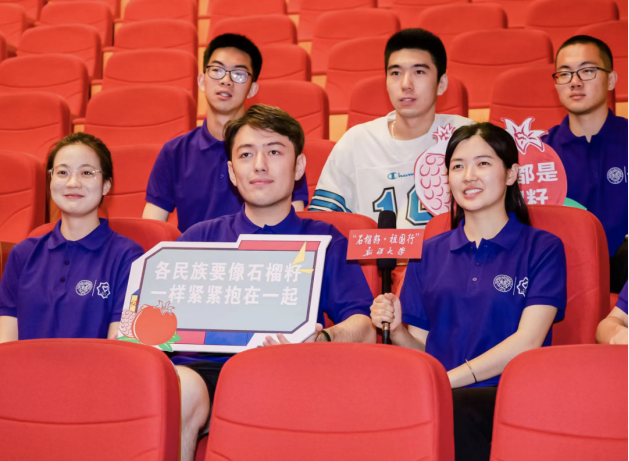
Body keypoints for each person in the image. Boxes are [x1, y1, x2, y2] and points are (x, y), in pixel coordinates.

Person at [172, 105, 375, 461]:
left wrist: (324, 339)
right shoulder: (197, 239)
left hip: (289, 370)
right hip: (202, 374)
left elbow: (366, 326)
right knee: (179, 388)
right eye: (246, 154)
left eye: (275, 152)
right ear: (232, 172)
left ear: (298, 167)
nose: (260, 165)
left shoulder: (326, 240)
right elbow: (155, 325)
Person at [371, 123, 568, 461]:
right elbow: (424, 348)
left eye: (483, 163)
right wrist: (399, 329)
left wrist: (446, 382)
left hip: (510, 392)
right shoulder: (428, 252)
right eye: (458, 166)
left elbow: (528, 341)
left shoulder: (543, 248)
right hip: (442, 392)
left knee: (454, 411)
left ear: (511, 174)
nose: (468, 176)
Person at [143, 34, 309, 233]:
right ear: (202, 81)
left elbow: (294, 226)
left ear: (252, 89)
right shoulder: (175, 152)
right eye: (217, 70)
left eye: (239, 74)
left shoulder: (275, 150)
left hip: (262, 252)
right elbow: (152, 228)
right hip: (196, 251)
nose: (226, 80)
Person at [310, 28, 473, 229]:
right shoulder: (356, 142)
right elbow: (323, 225)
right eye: (395, 73)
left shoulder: (467, 137)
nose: (406, 84)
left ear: (441, 83)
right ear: (386, 82)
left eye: (419, 72)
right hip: (374, 251)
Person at [0, 133, 144, 342]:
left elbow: (120, 346)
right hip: (25, 364)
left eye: (86, 172)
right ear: (50, 181)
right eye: (62, 172)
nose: (73, 182)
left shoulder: (128, 257)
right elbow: (6, 345)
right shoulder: (22, 255)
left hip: (97, 364)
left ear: (106, 185)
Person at [543, 35, 628, 261]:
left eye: (587, 71)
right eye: (564, 74)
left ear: (611, 80)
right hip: (564, 270)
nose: (575, 82)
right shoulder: (540, 153)